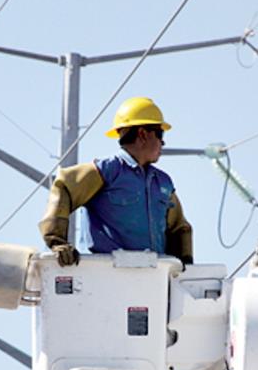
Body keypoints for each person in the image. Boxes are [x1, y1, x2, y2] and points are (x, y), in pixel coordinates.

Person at [39, 97, 193, 266]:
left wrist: (183, 268)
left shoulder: (163, 183)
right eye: (159, 134)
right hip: (108, 274)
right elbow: (65, 185)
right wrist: (57, 241)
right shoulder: (106, 171)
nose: (163, 142)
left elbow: (180, 229)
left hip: (153, 277)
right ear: (142, 134)